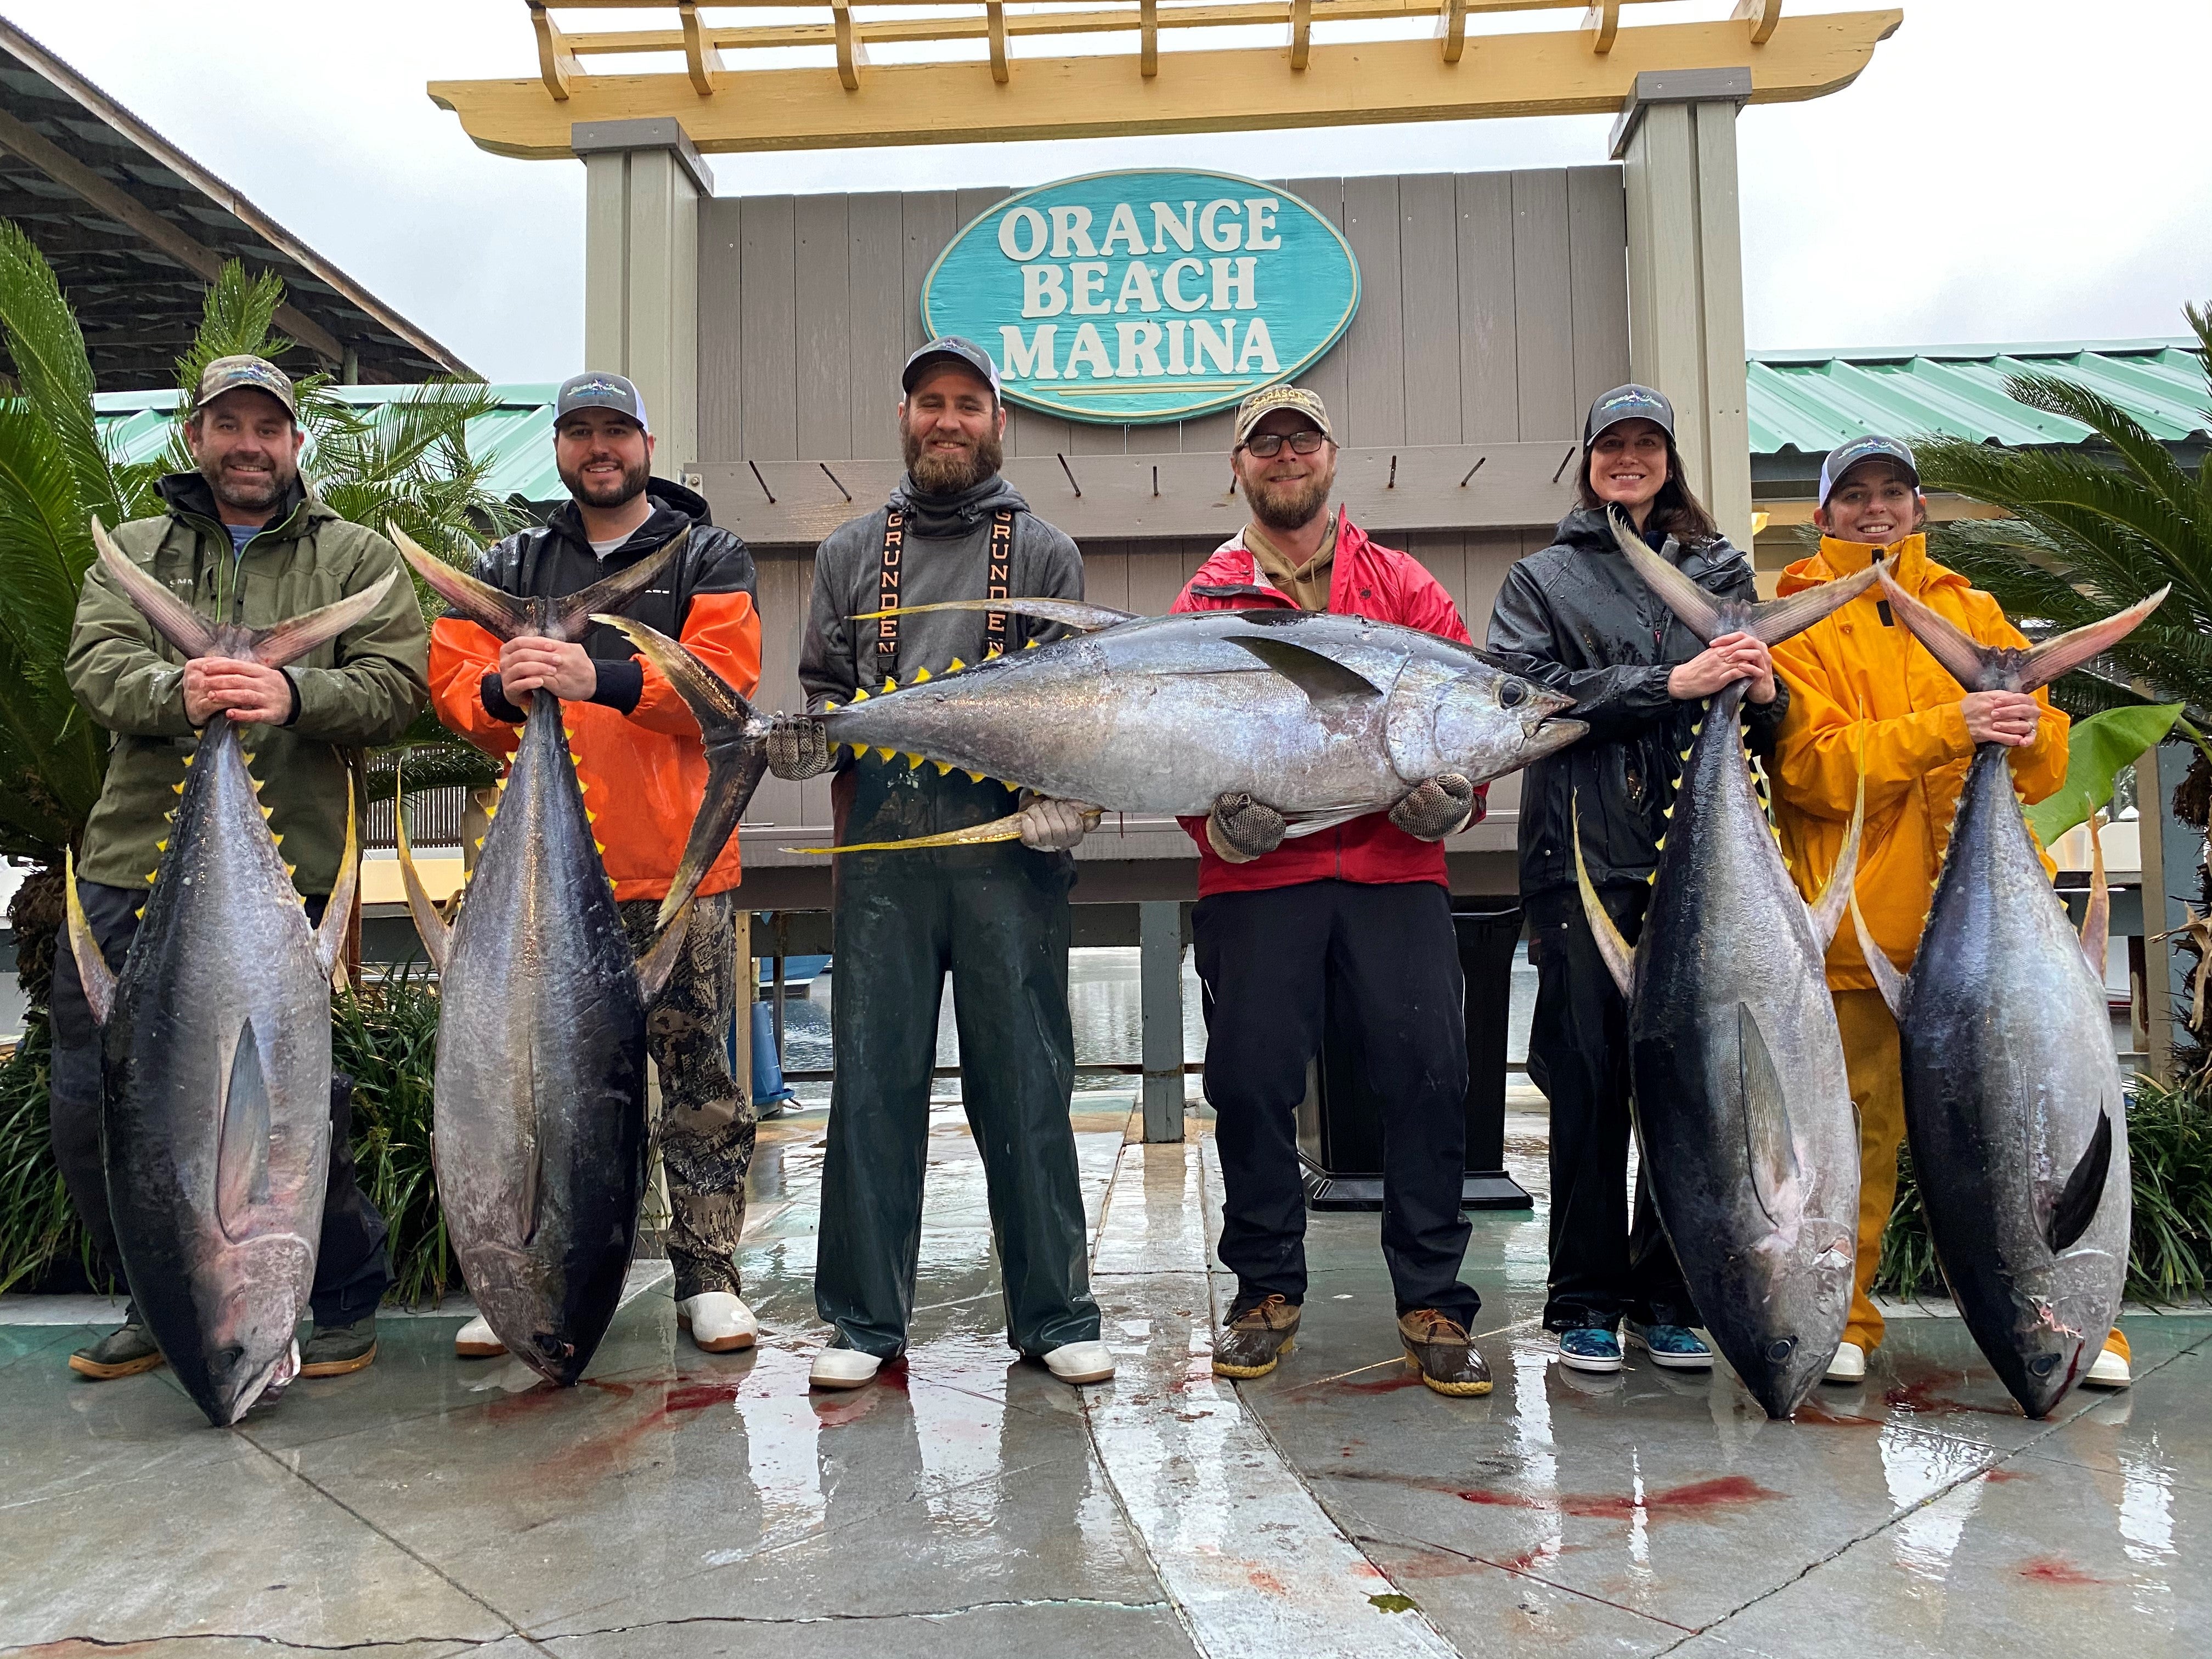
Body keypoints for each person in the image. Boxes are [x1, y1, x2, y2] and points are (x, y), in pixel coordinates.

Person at [54, 355, 426, 1382]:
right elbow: (93, 666)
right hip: (133, 864)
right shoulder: (133, 552)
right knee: (97, 1102)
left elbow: (397, 685)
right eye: (230, 426)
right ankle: (164, 1296)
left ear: (296, 442)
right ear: (196, 438)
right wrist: (183, 690)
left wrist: (294, 695)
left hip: (285, 878)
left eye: (269, 427)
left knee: (301, 1103)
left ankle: (342, 1294)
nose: (250, 444)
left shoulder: (352, 558)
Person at [763, 336, 1111, 1391]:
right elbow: (823, 688)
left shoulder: (1047, 552)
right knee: (873, 1083)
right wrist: (804, 737)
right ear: (905, 419)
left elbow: (1077, 704)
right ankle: (864, 1320)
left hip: (1011, 852)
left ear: (999, 421)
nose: (947, 420)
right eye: (929, 403)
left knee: (1028, 1084)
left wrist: (1068, 800)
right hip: (883, 850)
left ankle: (1054, 1313)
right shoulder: (847, 554)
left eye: (967, 403)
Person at [1768, 435, 2130, 1390]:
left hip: (1992, 935)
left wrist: (2024, 723)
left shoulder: (1972, 609)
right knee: (1856, 1138)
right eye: (1854, 497)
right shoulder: (1801, 617)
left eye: (1893, 492)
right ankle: (1841, 1315)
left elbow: (2045, 761)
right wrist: (1951, 724)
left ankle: (2082, 1317)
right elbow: (1810, 772)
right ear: (1822, 516)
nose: (1875, 509)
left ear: (1921, 509)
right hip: (1863, 933)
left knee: (2036, 1125)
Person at [426, 371, 766, 1359]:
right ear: (561, 450)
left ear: (647, 443)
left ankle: (709, 1278)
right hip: (532, 895)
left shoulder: (707, 552)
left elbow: (725, 686)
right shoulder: (510, 562)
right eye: (579, 432)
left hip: (676, 873)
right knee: (521, 1088)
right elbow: (453, 683)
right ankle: (514, 1270)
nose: (598, 447)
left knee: (697, 1081)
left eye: (616, 429)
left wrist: (599, 675)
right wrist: (502, 681)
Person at [1171, 385, 1493, 1396]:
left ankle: (1434, 1298)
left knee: (1430, 1081)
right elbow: (1171, 742)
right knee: (1251, 1085)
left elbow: (1474, 717)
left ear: (1330, 456)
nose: (1283, 458)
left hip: (1397, 875)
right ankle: (1265, 1287)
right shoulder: (1204, 603)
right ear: (1239, 468)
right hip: (1259, 880)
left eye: (1299, 442)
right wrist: (1210, 825)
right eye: (1263, 446)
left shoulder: (1402, 588)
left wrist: (1460, 801)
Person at [1486, 384, 1783, 1376]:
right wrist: (1669, 683)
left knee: (1690, 1087)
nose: (1628, 459)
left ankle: (1669, 1296)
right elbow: (1521, 699)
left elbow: (1768, 728)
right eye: (1611, 445)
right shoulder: (1542, 578)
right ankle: (1582, 1300)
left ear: (1670, 459)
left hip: (1701, 868)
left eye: (1645, 444)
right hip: (1579, 861)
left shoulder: (1723, 570)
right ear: (1588, 461)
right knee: (1587, 1083)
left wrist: (1766, 689)